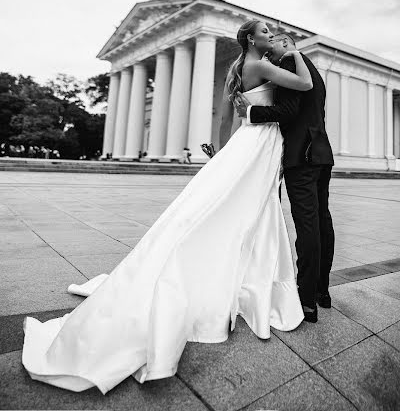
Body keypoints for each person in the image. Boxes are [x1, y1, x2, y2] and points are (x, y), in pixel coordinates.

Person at [21, 20, 313, 394]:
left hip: (246, 144)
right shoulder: (262, 65)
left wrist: (221, 155)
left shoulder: (236, 69)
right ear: (252, 39)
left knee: (238, 208)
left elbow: (226, 117)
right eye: (266, 33)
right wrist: (297, 54)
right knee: (251, 211)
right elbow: (303, 85)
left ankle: (245, 278)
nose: (272, 37)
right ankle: (250, 285)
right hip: (260, 145)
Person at [234, 32, 335, 323]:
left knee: (307, 226)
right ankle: (321, 292)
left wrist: (250, 112)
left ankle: (306, 302)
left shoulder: (291, 63)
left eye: (275, 44)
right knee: (322, 221)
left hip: (300, 156)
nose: (271, 54)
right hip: (320, 152)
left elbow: (288, 112)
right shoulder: (312, 69)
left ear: (287, 43)